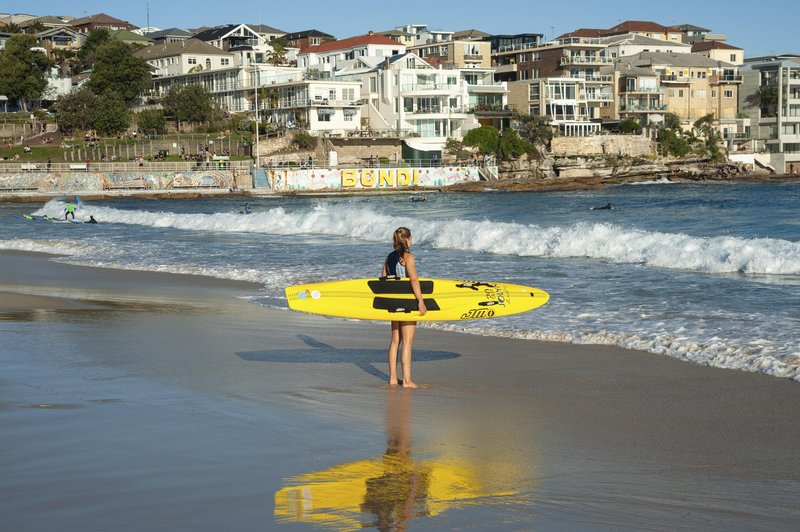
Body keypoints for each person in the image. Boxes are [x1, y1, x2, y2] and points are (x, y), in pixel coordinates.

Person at [381, 227, 427, 388]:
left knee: (395, 341)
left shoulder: (389, 257)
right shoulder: (408, 257)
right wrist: (420, 301)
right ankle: (407, 381)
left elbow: (383, 279)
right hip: (407, 303)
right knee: (407, 343)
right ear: (406, 239)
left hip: (394, 303)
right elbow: (414, 280)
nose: (411, 241)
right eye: (410, 238)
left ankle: (393, 378)